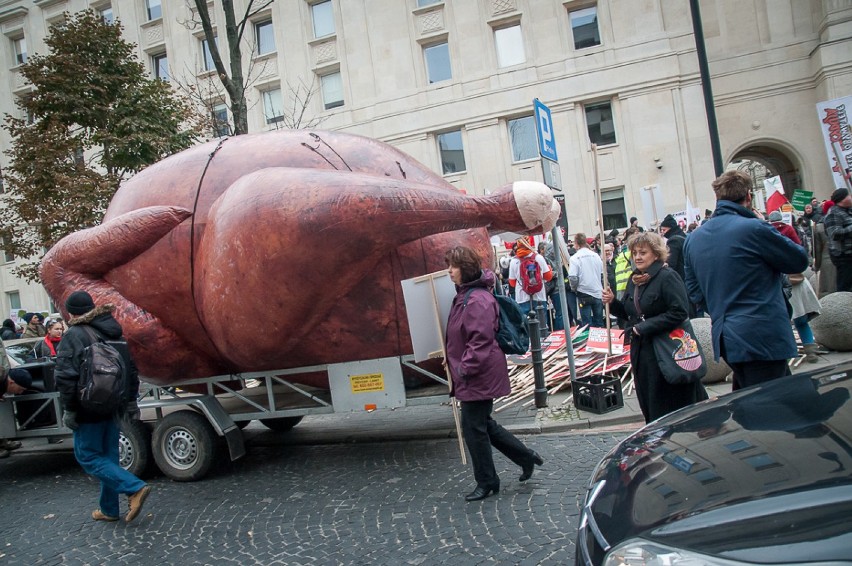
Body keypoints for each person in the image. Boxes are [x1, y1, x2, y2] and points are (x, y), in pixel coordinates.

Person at [683, 171, 809, 391]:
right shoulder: (754, 228)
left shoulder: (694, 238)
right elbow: (798, 261)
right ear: (749, 197)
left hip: (728, 336)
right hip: (762, 334)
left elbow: (694, 291)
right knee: (772, 408)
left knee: (761, 403)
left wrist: (720, 311)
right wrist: (766, 226)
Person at [444, 246, 543, 502]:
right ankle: (525, 456)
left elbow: (480, 341)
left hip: (477, 373)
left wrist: (464, 368)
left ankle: (488, 481)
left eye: (453, 266)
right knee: (482, 424)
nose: (449, 271)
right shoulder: (467, 295)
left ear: (465, 269)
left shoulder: (476, 299)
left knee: (473, 428)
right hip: (475, 372)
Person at [55, 290, 151, 522]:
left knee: (87, 456)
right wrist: (130, 401)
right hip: (114, 404)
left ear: (71, 313)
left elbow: (66, 377)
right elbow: (131, 371)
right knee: (108, 458)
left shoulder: (75, 335)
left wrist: (69, 409)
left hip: (88, 406)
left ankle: (134, 487)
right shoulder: (115, 333)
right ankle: (108, 509)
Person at [602, 232, 707, 423]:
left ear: (656, 254)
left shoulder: (667, 277)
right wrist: (613, 303)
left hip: (668, 349)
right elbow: (630, 313)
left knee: (671, 403)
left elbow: (680, 312)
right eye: (635, 253)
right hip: (644, 352)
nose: (638, 257)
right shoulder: (635, 279)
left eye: (643, 252)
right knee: (650, 401)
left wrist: (644, 327)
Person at [508, 237, 552, 318]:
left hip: (522, 299)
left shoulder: (514, 261)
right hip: (539, 297)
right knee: (541, 326)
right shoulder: (538, 258)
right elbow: (548, 277)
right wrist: (549, 269)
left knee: (526, 327)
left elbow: (512, 283)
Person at [568, 233, 604, 327]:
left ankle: (589, 340)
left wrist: (574, 289)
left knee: (587, 323)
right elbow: (602, 273)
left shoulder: (574, 258)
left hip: (583, 293)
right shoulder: (596, 256)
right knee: (599, 321)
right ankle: (600, 340)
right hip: (597, 291)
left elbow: (573, 277)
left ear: (576, 243)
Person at [823, 187, 852, 292]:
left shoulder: (848, 211)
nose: (851, 197)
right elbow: (835, 233)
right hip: (844, 255)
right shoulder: (833, 213)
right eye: (848, 195)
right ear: (842, 199)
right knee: (846, 285)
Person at [813, 202, 837, 297]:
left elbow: (817, 251)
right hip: (844, 260)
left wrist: (817, 266)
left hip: (827, 262)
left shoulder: (819, 228)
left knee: (829, 293)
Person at [658, 214, 687, 281]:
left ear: (671, 228)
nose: (663, 233)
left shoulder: (673, 241)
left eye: (664, 230)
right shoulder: (683, 235)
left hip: (681, 276)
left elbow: (671, 263)